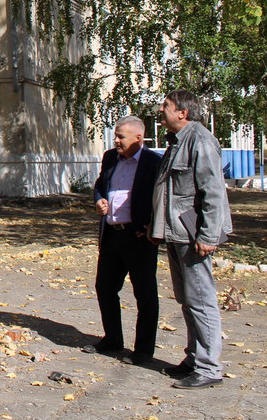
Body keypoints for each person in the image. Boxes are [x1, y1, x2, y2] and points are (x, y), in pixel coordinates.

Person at [151, 89, 233, 389]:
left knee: (201, 301)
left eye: (166, 106)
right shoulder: (177, 142)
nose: (162, 111)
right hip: (176, 234)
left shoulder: (200, 140)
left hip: (193, 235)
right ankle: (194, 357)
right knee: (187, 300)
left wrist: (208, 235)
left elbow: (213, 192)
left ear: (182, 112)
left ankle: (210, 367)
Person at [83, 115, 162, 366]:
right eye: (115, 136)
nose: (116, 141)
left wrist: (154, 225)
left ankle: (143, 350)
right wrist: (98, 200)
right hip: (111, 235)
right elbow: (99, 186)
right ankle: (113, 339)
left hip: (138, 237)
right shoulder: (110, 158)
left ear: (138, 138)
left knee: (145, 295)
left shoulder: (153, 163)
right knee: (105, 288)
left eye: (121, 137)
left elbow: (164, 197)